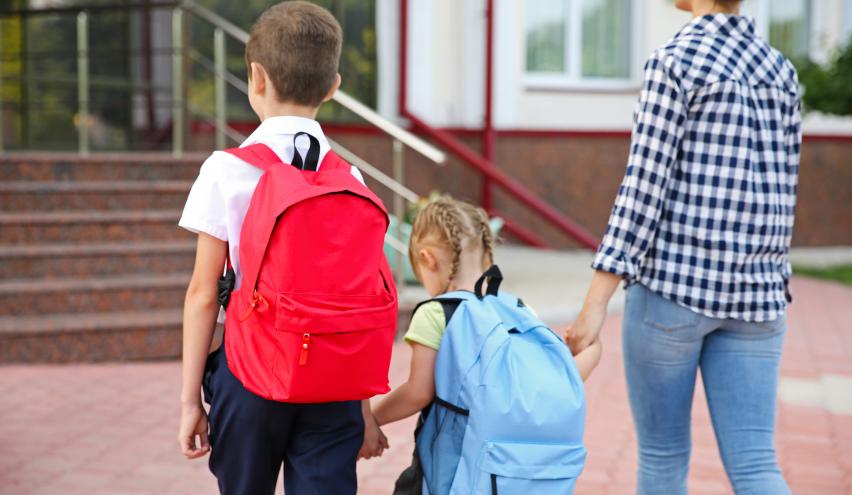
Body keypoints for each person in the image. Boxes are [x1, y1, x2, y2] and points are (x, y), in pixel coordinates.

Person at [567, 0, 801, 494]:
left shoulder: (675, 60)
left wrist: (595, 305)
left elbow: (642, 189)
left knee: (662, 456)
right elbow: (785, 189)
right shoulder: (782, 71)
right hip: (757, 301)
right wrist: (775, 279)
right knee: (757, 464)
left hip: (673, 293)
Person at [175, 2, 386, 494]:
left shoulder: (226, 170)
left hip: (250, 375)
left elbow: (203, 294)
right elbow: (357, 298)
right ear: (333, 87)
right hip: (333, 378)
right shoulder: (349, 178)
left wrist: (190, 403)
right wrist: (363, 408)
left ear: (256, 77)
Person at [363, 197, 602, 493]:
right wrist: (594, 347)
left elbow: (418, 392)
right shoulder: (517, 309)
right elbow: (565, 376)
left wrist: (371, 419)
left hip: (453, 476)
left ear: (427, 258)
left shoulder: (437, 312)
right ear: (486, 254)